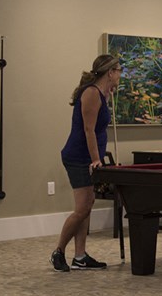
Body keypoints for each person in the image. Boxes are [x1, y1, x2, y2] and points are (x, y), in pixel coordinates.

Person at [51, 55, 121, 272]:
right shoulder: (91, 93)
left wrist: (109, 97)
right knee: (82, 208)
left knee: (87, 205)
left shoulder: (101, 94)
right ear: (109, 72)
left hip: (86, 157)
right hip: (78, 157)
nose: (120, 74)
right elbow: (88, 130)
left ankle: (80, 256)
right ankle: (58, 252)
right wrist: (96, 160)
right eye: (118, 70)